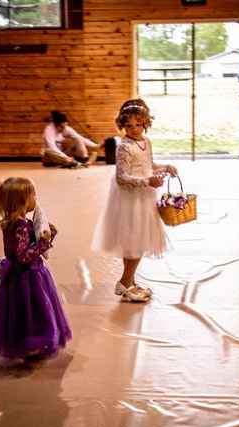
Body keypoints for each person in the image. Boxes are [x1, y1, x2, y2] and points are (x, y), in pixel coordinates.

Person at [91, 99, 179, 303]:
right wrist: (148, 181)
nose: (134, 129)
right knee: (136, 242)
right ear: (122, 126)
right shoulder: (124, 147)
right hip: (131, 199)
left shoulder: (146, 142)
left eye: (138, 124)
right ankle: (124, 282)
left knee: (135, 241)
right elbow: (122, 178)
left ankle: (128, 281)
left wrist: (165, 167)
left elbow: (148, 165)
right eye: (128, 126)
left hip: (145, 196)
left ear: (145, 123)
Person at [0, 177, 72, 366]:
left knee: (23, 311)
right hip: (27, 277)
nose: (36, 197)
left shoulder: (13, 222)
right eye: (33, 194)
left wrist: (47, 233)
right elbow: (24, 256)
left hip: (20, 275)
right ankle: (31, 344)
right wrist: (43, 243)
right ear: (22, 200)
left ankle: (28, 342)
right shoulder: (20, 226)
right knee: (32, 310)